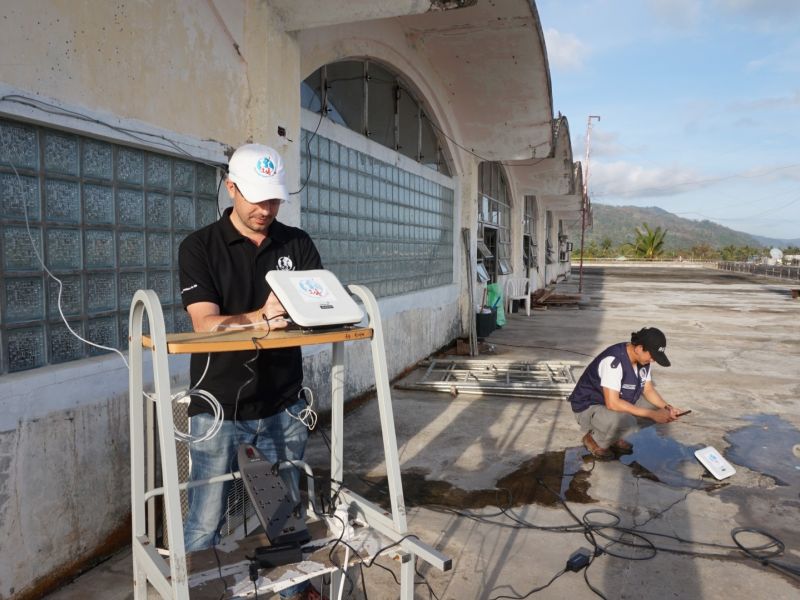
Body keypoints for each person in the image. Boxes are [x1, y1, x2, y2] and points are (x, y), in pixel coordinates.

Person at [179, 143, 324, 600]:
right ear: (231, 188)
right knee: (206, 518)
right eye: (257, 199)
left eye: (274, 199)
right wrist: (261, 318)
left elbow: (316, 310)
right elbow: (204, 323)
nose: (266, 210)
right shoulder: (200, 246)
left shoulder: (296, 244)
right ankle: (196, 591)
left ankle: (291, 592)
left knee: (285, 513)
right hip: (218, 407)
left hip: (283, 403)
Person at [568, 327, 685, 459]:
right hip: (589, 407)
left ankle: (614, 436)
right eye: (652, 355)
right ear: (639, 348)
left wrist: (668, 408)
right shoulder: (614, 361)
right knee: (627, 421)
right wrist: (653, 415)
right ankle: (594, 439)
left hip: (613, 404)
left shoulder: (643, 360)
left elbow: (648, 390)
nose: (653, 360)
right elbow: (612, 403)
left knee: (656, 409)